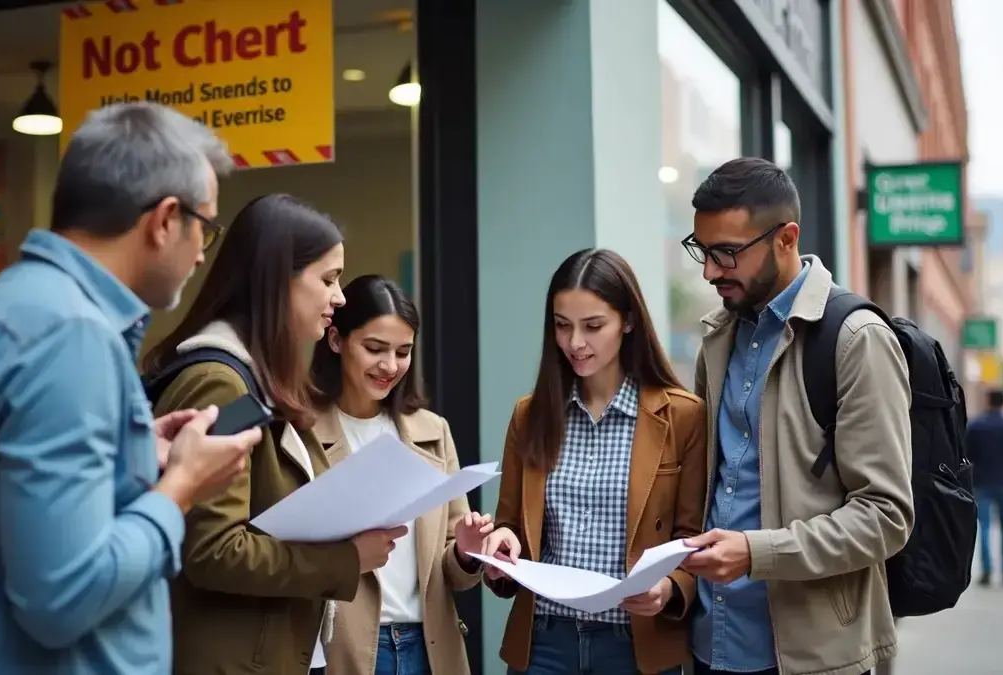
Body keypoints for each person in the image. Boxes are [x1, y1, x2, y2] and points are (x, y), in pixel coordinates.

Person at [0, 102, 263, 674]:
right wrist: (181, 488)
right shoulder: (72, 335)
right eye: (207, 228)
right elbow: (63, 598)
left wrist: (140, 453)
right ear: (166, 219)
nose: (202, 252)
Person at [140, 194, 404, 675]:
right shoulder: (221, 381)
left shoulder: (258, 376)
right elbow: (214, 550)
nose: (340, 297)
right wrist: (346, 560)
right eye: (328, 279)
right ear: (277, 283)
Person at [681, 157, 913, 675]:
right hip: (708, 645)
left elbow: (885, 516)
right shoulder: (718, 337)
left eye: (726, 253)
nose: (709, 270)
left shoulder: (856, 340)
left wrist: (755, 553)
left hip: (809, 658)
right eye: (702, 249)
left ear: (786, 239)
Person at [479, 248, 707, 675]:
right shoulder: (530, 416)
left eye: (593, 326)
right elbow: (510, 523)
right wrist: (500, 549)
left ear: (629, 320)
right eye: (562, 326)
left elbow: (692, 537)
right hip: (544, 642)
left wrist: (670, 589)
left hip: (635, 647)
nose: (575, 343)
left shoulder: (682, 416)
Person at [310, 274, 491, 675]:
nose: (390, 366)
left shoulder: (432, 430)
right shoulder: (301, 432)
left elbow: (453, 572)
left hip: (430, 649)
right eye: (375, 348)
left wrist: (465, 551)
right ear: (336, 340)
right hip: (345, 652)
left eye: (403, 351)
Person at [966, 389, 1003, 585]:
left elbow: (966, 455)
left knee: (984, 526)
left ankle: (986, 570)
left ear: (987, 401)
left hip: (981, 482)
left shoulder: (975, 427)